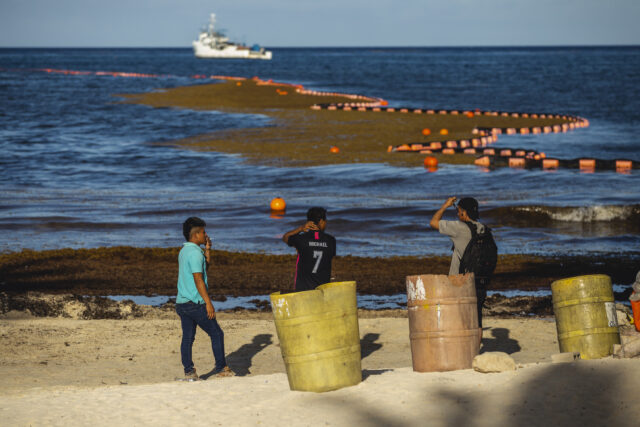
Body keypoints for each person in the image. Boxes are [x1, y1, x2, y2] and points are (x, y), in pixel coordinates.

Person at [175, 217, 233, 380]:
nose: (206, 235)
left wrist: (207, 250)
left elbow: (204, 266)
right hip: (195, 303)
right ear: (196, 235)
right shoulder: (194, 253)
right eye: (204, 232)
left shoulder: (185, 251)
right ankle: (222, 368)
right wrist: (208, 303)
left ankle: (189, 372)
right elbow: (198, 279)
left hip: (182, 303)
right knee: (216, 333)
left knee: (188, 337)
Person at [429, 196, 492, 333]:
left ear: (464, 212)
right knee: (477, 321)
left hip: (459, 280)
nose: (457, 214)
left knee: (457, 319)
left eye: (458, 211)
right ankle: (475, 352)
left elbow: (433, 222)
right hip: (479, 281)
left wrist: (445, 205)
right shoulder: (484, 229)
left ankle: (460, 351)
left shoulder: (458, 228)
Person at [282, 207, 336, 292]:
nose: (326, 223)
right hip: (322, 290)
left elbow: (285, 237)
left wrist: (300, 228)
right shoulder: (331, 240)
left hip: (303, 289)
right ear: (321, 221)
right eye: (325, 221)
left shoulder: (301, 239)